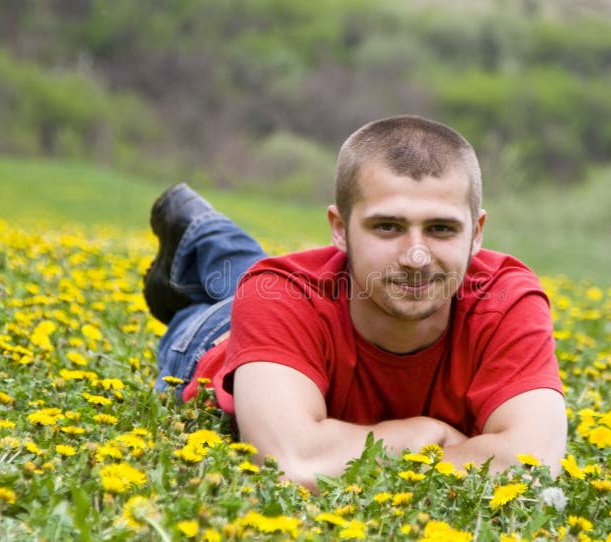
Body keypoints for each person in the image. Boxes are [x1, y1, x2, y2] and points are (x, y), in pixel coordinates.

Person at [144, 115, 566, 490]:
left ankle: (205, 232)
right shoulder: (279, 295)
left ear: (476, 233)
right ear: (340, 228)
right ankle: (201, 228)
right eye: (387, 227)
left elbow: (532, 467)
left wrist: (338, 446)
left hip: (318, 292)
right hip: (216, 337)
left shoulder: (508, 298)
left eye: (441, 229)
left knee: (264, 275)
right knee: (247, 287)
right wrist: (427, 434)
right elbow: (290, 463)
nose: (417, 257)